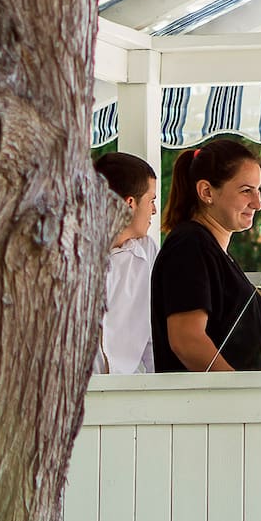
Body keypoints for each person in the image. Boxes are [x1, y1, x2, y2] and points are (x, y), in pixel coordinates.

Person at [151, 137, 261, 373]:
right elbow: (187, 340)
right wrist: (238, 397)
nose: (257, 203)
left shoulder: (211, 249)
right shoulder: (189, 245)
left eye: (258, 190)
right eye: (246, 191)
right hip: (213, 407)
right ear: (206, 191)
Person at [93, 152, 159, 374]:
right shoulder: (69, 254)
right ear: (129, 204)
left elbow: (153, 334)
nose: (154, 210)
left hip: (130, 393)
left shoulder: (148, 251)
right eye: (151, 200)